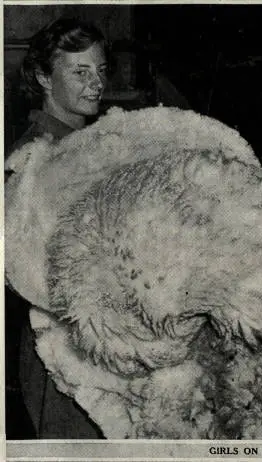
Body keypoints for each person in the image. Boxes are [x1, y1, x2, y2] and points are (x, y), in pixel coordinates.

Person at [6, 17, 109, 438]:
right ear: (44, 78)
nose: (96, 83)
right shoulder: (32, 158)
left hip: (103, 343)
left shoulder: (95, 145)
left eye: (101, 71)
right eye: (80, 72)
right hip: (61, 353)